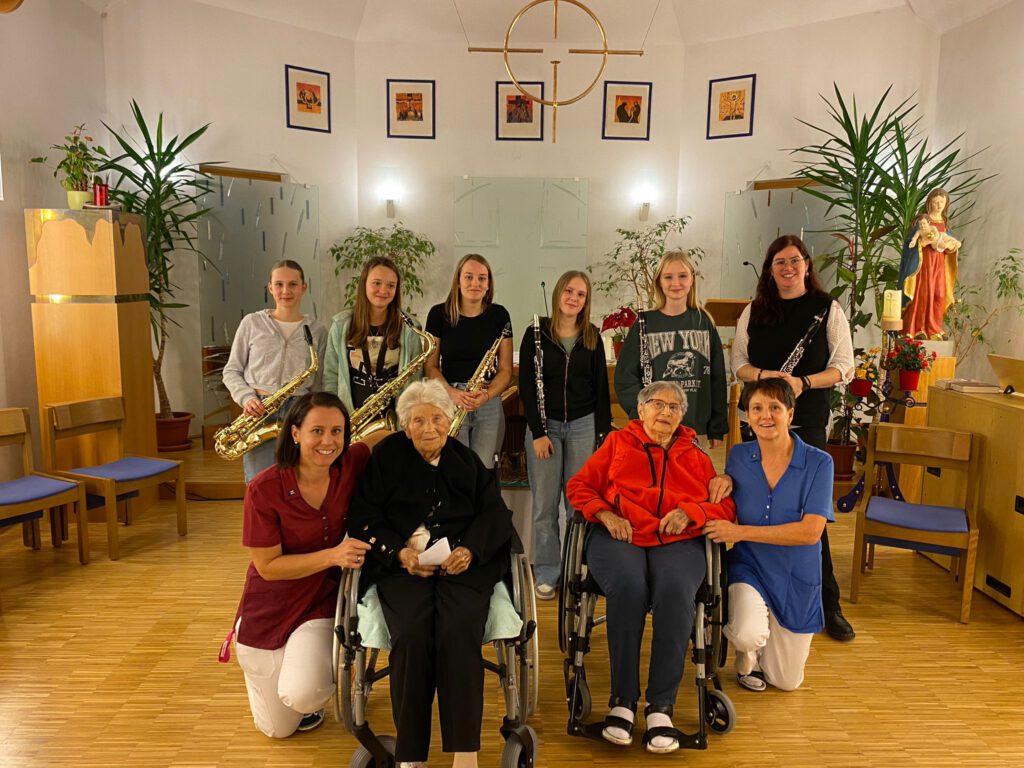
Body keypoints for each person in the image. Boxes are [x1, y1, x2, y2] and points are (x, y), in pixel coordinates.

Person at [347, 380, 513, 768]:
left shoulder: (466, 460)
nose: (429, 428)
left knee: (460, 629)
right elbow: (364, 515)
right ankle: (410, 754)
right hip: (403, 567)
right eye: (419, 420)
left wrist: (470, 550)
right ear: (406, 426)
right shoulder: (386, 457)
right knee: (411, 633)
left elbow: (495, 514)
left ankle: (465, 751)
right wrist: (399, 552)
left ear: (450, 420)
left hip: (462, 566)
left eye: (437, 418)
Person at [567, 381, 736, 754]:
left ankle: (661, 707)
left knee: (676, 591)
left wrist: (691, 511)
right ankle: (622, 702)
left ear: (682, 415)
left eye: (674, 407)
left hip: (677, 539)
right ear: (640, 410)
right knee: (629, 586)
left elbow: (725, 508)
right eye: (658, 404)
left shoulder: (696, 455)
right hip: (619, 534)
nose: (666, 412)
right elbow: (579, 487)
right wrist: (606, 514)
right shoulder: (616, 444)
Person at [731, 234, 855, 642]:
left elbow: (845, 367)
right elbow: (739, 364)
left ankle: (827, 603)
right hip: (762, 421)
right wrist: (766, 377)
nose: (788, 268)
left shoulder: (827, 308)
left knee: (811, 519)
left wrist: (803, 382)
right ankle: (756, 592)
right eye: (779, 262)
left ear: (806, 265)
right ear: (770, 270)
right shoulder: (754, 310)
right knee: (759, 510)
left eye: (794, 261)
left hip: (806, 420)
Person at [230, 391, 371, 738]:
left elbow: (383, 436)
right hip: (271, 604)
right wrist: (334, 555)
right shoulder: (263, 488)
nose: (328, 441)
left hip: (320, 600)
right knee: (278, 730)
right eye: (317, 431)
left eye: (337, 431)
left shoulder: (350, 464)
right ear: (295, 433)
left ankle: (303, 679)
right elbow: (267, 567)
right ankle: (261, 671)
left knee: (302, 695)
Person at [704, 378, 834, 692]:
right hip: (749, 566)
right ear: (748, 416)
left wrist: (739, 531)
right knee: (748, 634)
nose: (766, 416)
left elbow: (810, 533)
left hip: (796, 574)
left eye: (775, 407)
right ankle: (748, 652)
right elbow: (731, 490)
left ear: (790, 413)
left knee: (786, 681)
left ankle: (765, 645)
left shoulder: (819, 462)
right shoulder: (739, 456)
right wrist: (724, 479)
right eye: (757, 408)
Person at [517, 271, 612, 600]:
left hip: (584, 425)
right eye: (569, 291)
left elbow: (601, 389)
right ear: (558, 293)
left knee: (579, 504)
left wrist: (602, 433)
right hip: (546, 427)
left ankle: (576, 569)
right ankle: (547, 571)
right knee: (545, 506)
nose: (573, 298)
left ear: (586, 301)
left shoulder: (592, 336)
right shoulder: (535, 333)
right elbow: (527, 387)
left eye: (581, 294)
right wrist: (539, 432)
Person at [222, 260, 328, 483]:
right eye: (279, 284)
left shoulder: (317, 330)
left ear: (304, 288)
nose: (285, 291)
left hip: (300, 411)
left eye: (292, 284)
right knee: (259, 483)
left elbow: (319, 382)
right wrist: (247, 398)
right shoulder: (251, 323)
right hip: (259, 410)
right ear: (270, 288)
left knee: (298, 481)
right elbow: (231, 370)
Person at [615, 249, 729, 447]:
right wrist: (641, 412)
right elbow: (625, 377)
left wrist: (716, 427)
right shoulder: (645, 323)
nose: (676, 283)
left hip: (695, 428)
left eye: (682, 276)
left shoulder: (704, 322)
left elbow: (717, 377)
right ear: (659, 281)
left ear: (692, 279)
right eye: (668, 277)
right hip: (654, 427)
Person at [424, 254, 513, 469]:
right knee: (455, 469)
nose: (475, 283)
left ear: (488, 284)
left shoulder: (500, 315)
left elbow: (505, 369)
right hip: (450, 399)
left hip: (487, 399)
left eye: (482, 278)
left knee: (484, 470)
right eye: (469, 277)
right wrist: (452, 393)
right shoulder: (438, 314)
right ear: (458, 281)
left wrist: (487, 395)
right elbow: (430, 366)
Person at [323, 256, 424, 422]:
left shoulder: (409, 327)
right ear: (364, 284)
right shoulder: (341, 326)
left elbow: (415, 381)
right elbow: (331, 377)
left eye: (391, 285)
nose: (383, 290)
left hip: (395, 421)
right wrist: (335, 419)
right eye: (376, 283)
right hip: (351, 419)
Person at [898, 188, 961, 340]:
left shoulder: (945, 224)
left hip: (939, 265)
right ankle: (918, 329)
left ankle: (934, 329)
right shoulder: (923, 222)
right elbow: (910, 243)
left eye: (942, 202)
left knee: (939, 294)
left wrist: (951, 246)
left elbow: (949, 244)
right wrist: (922, 241)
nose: (939, 205)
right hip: (923, 265)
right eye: (935, 202)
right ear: (929, 203)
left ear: (946, 204)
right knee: (923, 295)